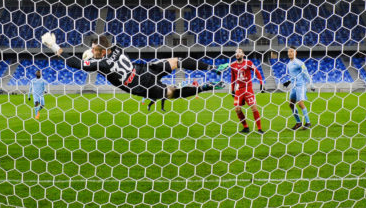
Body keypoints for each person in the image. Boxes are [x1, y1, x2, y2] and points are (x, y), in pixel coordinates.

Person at [41, 32, 226, 110]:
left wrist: (55, 47)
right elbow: (106, 53)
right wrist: (93, 53)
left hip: (140, 86)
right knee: (177, 61)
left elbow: (76, 64)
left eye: (94, 50)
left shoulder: (102, 64)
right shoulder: (118, 48)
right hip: (145, 69)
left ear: (102, 51)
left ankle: (206, 87)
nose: (92, 53)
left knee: (170, 92)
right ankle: (212, 68)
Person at [229, 48, 264, 134]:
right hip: (239, 89)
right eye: (236, 52)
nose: (237, 54)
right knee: (237, 109)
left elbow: (257, 72)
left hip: (248, 88)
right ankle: (246, 127)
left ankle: (259, 129)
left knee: (254, 108)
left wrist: (261, 83)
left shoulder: (248, 63)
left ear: (243, 54)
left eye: (239, 52)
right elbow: (233, 78)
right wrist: (232, 89)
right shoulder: (232, 65)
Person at [282, 47, 312, 130]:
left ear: (295, 53)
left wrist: (311, 84)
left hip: (300, 85)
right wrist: (288, 82)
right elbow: (293, 76)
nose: (289, 53)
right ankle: (298, 122)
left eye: (291, 51)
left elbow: (305, 73)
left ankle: (308, 122)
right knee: (291, 104)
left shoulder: (299, 63)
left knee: (300, 103)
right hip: (294, 86)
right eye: (288, 52)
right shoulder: (289, 64)